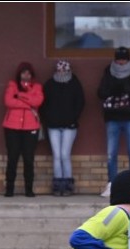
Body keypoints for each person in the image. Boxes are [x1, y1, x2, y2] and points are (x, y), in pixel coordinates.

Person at [97, 47, 130, 197]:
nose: (120, 63)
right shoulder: (109, 71)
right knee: (111, 154)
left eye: (123, 60)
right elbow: (101, 92)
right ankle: (111, 185)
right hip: (112, 117)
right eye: (118, 59)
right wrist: (115, 88)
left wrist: (126, 87)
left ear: (128, 59)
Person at [40, 59, 85, 196]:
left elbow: (80, 102)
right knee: (57, 155)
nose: (62, 72)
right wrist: (48, 118)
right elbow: (43, 104)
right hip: (53, 126)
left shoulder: (74, 84)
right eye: (60, 70)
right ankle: (57, 185)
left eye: (64, 70)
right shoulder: (49, 84)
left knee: (65, 155)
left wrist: (73, 118)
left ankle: (68, 185)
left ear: (69, 70)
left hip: (69, 126)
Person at [2, 61, 44, 197]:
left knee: (28, 159)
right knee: (12, 158)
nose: (26, 75)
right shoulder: (12, 85)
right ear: (19, 74)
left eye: (28, 73)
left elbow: (37, 102)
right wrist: (28, 103)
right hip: (12, 127)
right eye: (23, 72)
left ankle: (29, 189)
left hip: (30, 127)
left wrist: (19, 96)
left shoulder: (37, 87)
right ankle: (9, 189)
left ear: (31, 74)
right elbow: (9, 102)